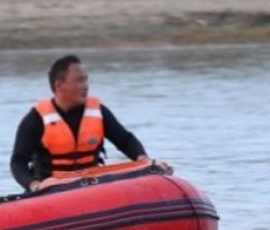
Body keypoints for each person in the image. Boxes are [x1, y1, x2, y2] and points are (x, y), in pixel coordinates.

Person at [10, 54, 171, 191]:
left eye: (86, 80)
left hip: (92, 188)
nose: (86, 86)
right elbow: (18, 162)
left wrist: (144, 160)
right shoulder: (36, 119)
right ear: (60, 85)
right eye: (79, 81)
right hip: (52, 191)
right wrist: (34, 185)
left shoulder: (98, 112)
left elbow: (125, 140)